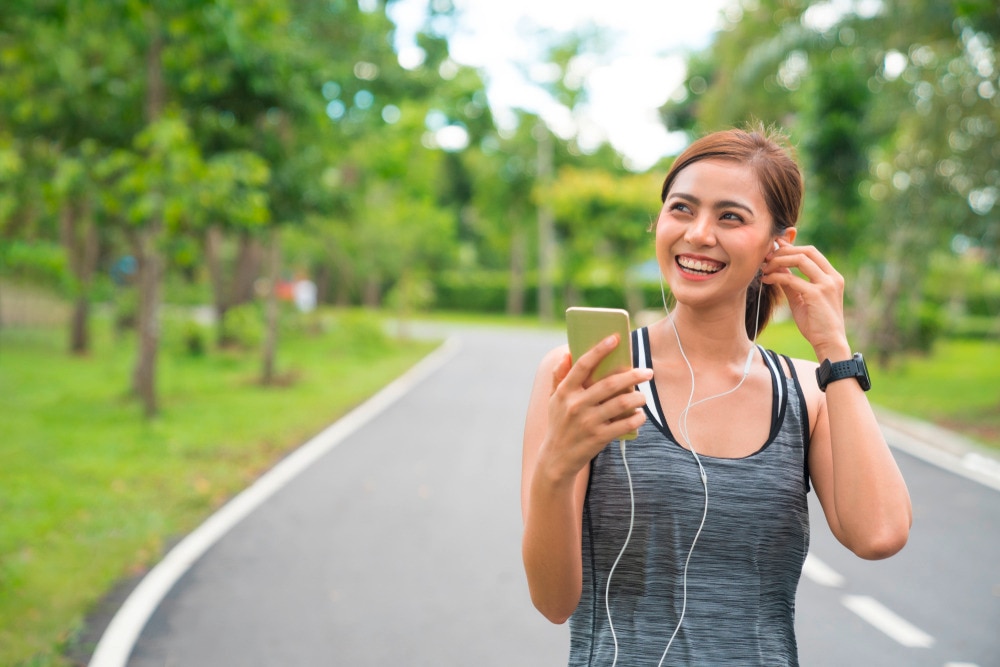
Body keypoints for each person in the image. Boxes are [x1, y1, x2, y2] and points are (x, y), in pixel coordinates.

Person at [520, 124, 912, 666]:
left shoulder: (806, 392)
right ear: (659, 221)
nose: (699, 234)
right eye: (682, 208)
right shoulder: (583, 375)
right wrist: (556, 466)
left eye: (730, 216)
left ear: (779, 244)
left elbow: (881, 533)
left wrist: (833, 349)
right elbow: (553, 600)